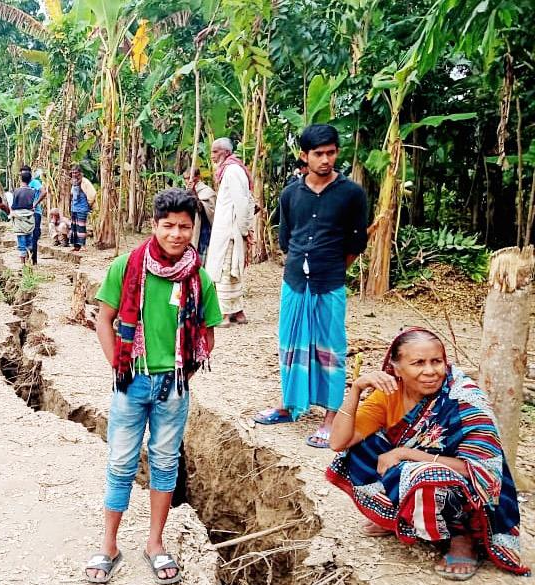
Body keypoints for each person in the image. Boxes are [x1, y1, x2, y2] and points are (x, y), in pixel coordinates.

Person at [86, 188, 223, 584]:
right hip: (132, 381)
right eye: (169, 226)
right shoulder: (126, 267)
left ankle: (155, 543)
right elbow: (104, 320)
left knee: (165, 464)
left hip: (174, 387)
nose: (177, 234)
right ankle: (108, 545)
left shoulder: (199, 278)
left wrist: (182, 376)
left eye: (185, 226)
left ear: (193, 228)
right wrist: (120, 366)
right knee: (120, 463)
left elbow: (206, 337)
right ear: (154, 226)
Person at [327, 327, 529, 580]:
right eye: (418, 363)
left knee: (428, 475)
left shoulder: (464, 399)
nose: (430, 371)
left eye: (436, 361)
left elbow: (480, 470)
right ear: (397, 367)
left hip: (463, 486)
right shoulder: (389, 394)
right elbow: (338, 442)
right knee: (359, 448)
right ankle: (397, 517)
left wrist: (405, 453)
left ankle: (461, 538)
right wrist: (356, 389)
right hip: (413, 475)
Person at [253, 124, 369, 449]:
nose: (326, 159)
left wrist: (330, 268)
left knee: (330, 349)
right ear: (304, 156)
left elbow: (356, 243)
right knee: (291, 344)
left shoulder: (352, 194)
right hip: (294, 282)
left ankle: (332, 417)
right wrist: (302, 267)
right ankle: (289, 405)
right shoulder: (291, 194)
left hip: (329, 283)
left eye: (331, 152)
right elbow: (287, 240)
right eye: (318, 153)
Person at [205, 139, 255, 327]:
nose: (212, 155)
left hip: (230, 231)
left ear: (226, 152)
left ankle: (225, 314)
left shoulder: (232, 171)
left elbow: (242, 203)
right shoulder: (231, 170)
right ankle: (238, 312)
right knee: (232, 270)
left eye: (216, 151)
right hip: (229, 229)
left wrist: (243, 229)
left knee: (226, 270)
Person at [185, 168, 216, 261]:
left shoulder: (207, 192)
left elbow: (206, 210)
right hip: (189, 230)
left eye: (190, 178)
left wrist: (193, 194)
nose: (187, 181)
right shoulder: (185, 191)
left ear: (197, 177)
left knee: (201, 259)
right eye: (185, 178)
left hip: (203, 231)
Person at [10, 169, 37, 265]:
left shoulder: (16, 191)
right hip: (29, 217)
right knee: (29, 240)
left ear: (21, 180)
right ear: (30, 180)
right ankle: (30, 261)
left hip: (19, 218)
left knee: (21, 241)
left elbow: (13, 205)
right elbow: (32, 204)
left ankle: (23, 264)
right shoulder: (32, 191)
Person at [69, 166, 96, 252]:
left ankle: (83, 246)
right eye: (73, 172)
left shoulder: (85, 182)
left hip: (82, 207)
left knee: (81, 227)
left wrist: (89, 204)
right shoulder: (74, 182)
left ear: (80, 173)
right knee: (74, 227)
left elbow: (92, 194)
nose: (74, 174)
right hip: (74, 208)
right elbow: (72, 194)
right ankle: (76, 246)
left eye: (76, 172)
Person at [25, 166, 45, 264]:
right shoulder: (24, 185)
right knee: (26, 236)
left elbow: (44, 192)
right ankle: (28, 259)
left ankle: (34, 260)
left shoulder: (35, 183)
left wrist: (35, 204)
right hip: (25, 214)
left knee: (34, 237)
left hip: (35, 212)